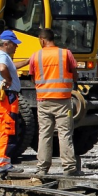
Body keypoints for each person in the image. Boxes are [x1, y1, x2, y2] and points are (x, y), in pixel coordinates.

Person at [28, 28, 81, 176]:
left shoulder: (36, 56)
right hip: (63, 101)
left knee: (44, 133)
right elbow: (75, 75)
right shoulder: (65, 54)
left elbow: (33, 78)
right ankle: (69, 167)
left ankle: (42, 168)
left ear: (42, 40)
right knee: (65, 133)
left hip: (43, 101)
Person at [0, 30, 29, 177]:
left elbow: (10, 66)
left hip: (0, 95)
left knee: (0, 130)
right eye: (14, 45)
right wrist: (9, 80)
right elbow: (3, 67)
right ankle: (4, 164)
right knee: (8, 128)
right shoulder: (2, 56)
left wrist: (27, 61)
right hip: (8, 96)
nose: (16, 47)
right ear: (6, 44)